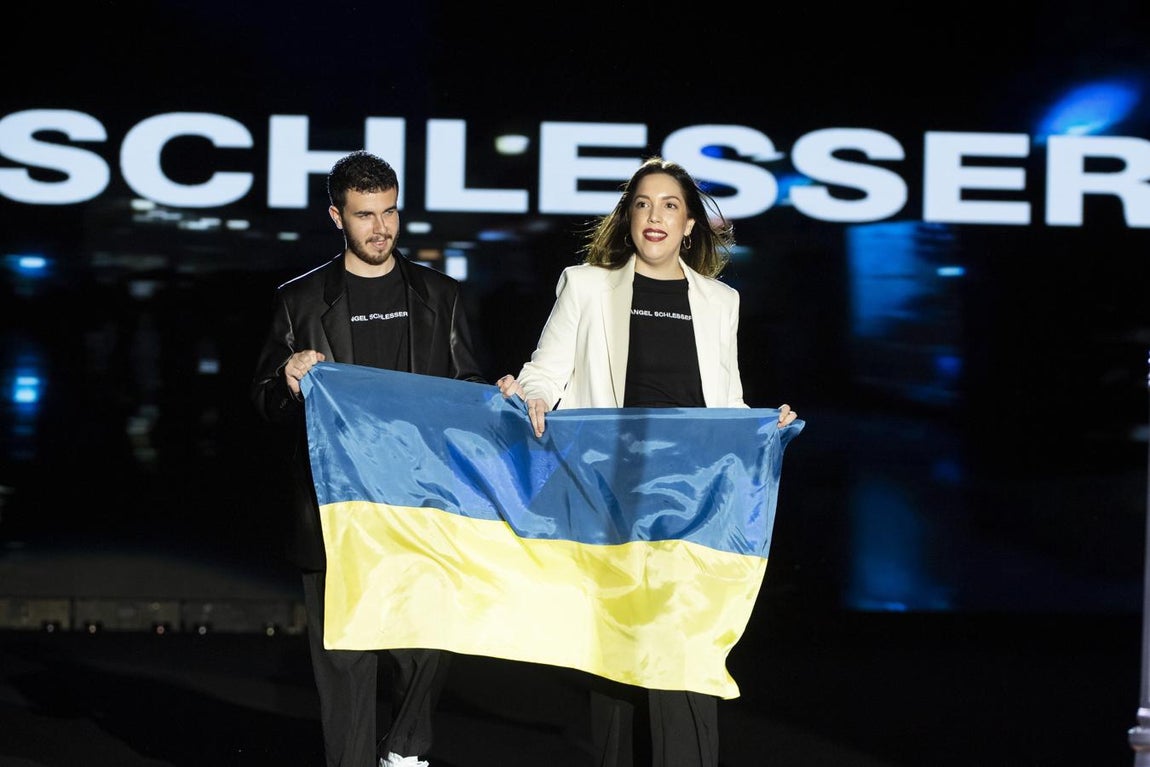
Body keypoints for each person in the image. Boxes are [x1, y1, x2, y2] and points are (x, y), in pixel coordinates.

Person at [497, 156, 798, 767]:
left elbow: (726, 401)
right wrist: (529, 396)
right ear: (628, 216)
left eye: (669, 205)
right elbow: (547, 371)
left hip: (693, 500)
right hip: (610, 494)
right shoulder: (585, 285)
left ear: (689, 224)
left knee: (684, 653)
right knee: (616, 659)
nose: (654, 216)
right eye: (642, 203)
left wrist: (763, 427)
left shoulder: (720, 301)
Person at [251, 149, 487, 767]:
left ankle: (406, 750)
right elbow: (265, 402)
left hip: (423, 507)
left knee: (427, 648)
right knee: (345, 673)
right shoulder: (299, 302)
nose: (380, 229)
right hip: (338, 514)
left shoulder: (442, 296)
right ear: (337, 216)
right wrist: (288, 377)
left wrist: (507, 397)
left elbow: (471, 393)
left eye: (389, 213)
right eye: (364, 215)